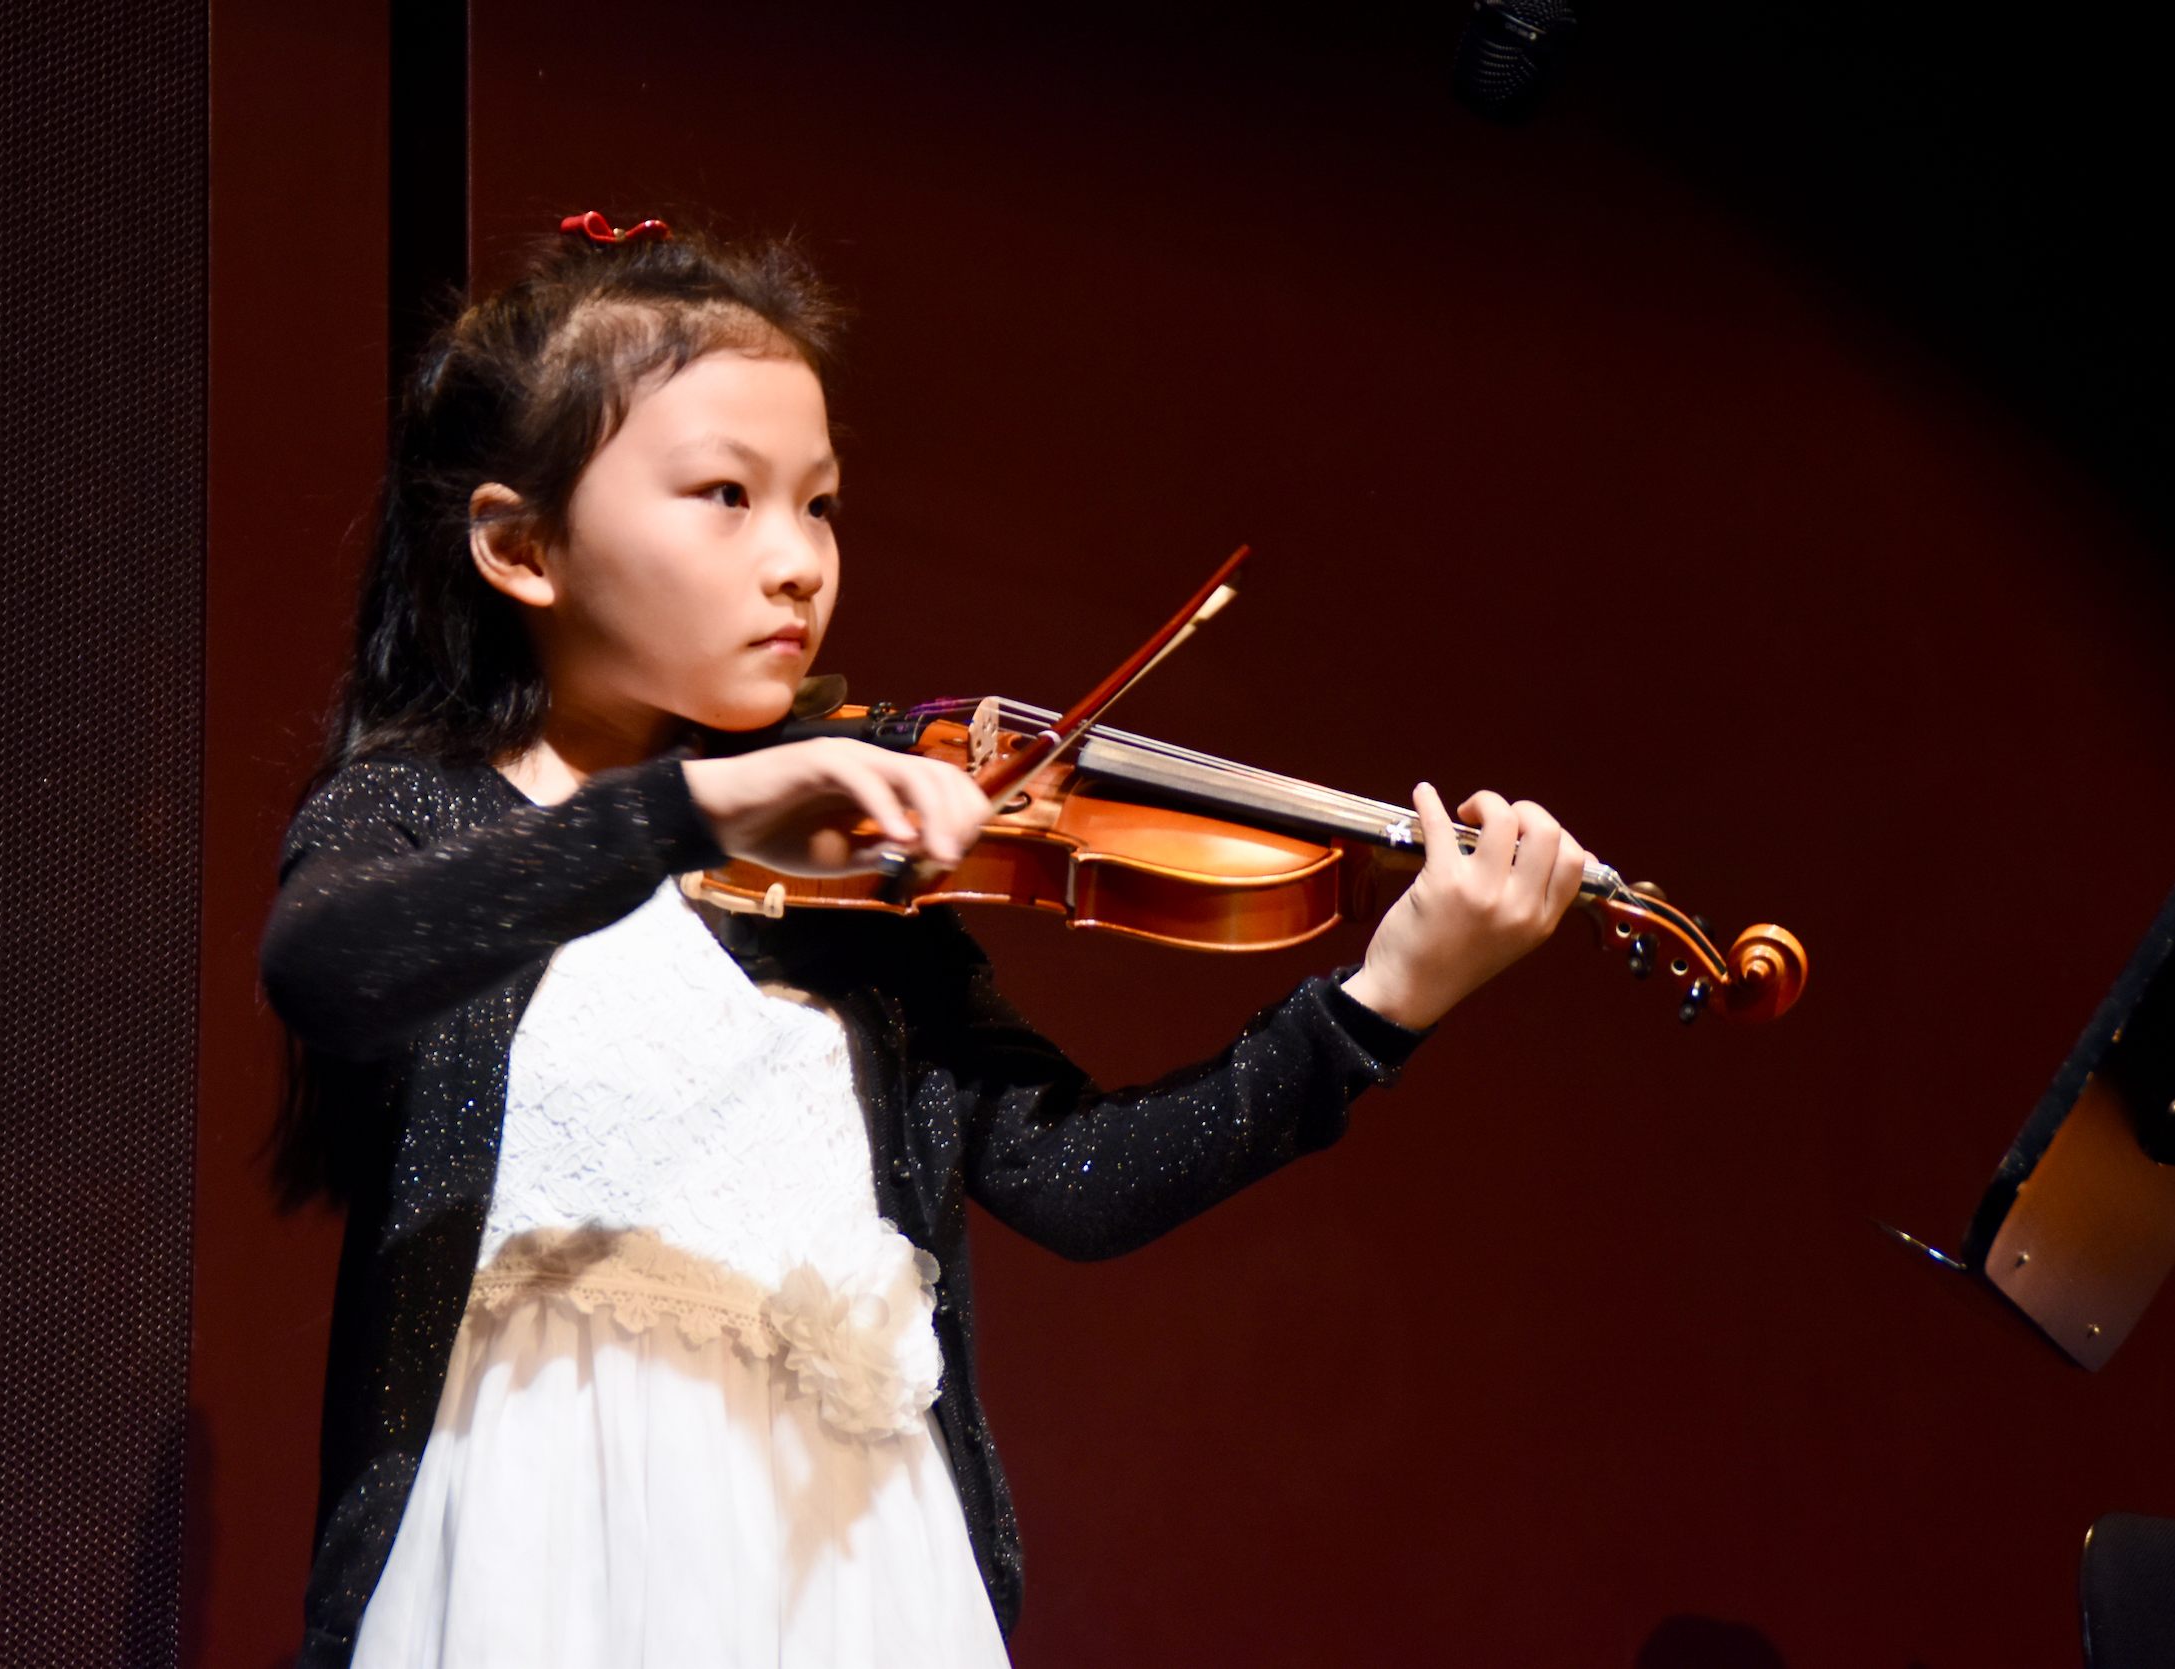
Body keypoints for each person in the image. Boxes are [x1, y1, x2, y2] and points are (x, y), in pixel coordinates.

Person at [261, 211, 1591, 1669]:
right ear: (523, 549)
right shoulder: (434, 813)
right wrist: (685, 809)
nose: (796, 562)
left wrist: (1379, 1003)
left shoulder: (855, 887)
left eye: (818, 503)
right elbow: (329, 972)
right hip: (544, 1547)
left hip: (848, 1558)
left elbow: (1075, 1182)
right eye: (725, 494)